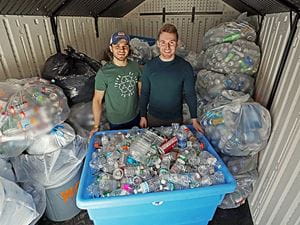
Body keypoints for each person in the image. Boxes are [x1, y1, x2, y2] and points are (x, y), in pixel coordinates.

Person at [139, 24, 203, 132]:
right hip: (153, 118)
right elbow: (144, 92)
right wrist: (143, 115)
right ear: (158, 44)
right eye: (163, 42)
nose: (167, 47)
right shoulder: (149, 66)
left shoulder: (185, 67)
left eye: (171, 43)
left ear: (177, 44)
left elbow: (190, 94)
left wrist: (194, 118)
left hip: (175, 120)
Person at [90, 31, 142, 137]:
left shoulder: (136, 67)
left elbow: (141, 92)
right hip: (116, 121)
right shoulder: (104, 72)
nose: (121, 50)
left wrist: (143, 115)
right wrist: (96, 125)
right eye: (117, 46)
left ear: (129, 48)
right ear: (111, 48)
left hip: (135, 116)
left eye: (125, 46)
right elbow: (97, 100)